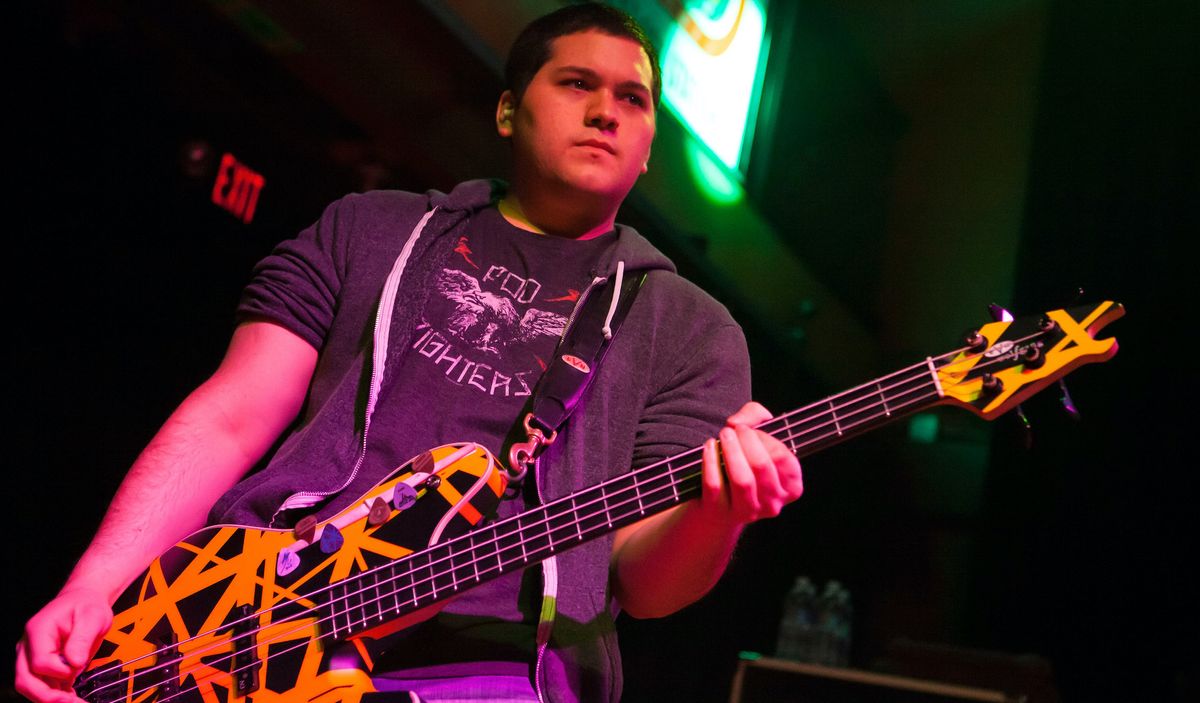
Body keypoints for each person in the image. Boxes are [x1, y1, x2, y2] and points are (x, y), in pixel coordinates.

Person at [14, 4, 803, 702]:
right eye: (575, 84)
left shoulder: (690, 328)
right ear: (506, 110)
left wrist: (722, 511)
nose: (607, 112)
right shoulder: (368, 228)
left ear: (648, 143)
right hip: (245, 615)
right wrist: (96, 584)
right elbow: (231, 415)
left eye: (633, 99)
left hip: (491, 669)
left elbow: (646, 582)